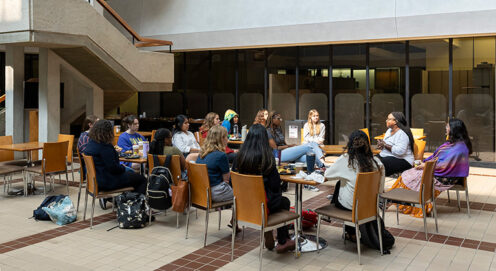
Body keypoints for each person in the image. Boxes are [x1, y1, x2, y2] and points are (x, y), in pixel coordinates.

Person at [232, 124, 295, 253]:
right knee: (284, 201)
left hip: (244, 205)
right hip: (263, 205)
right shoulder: (267, 158)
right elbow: (275, 184)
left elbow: (233, 181)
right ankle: (283, 240)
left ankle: (269, 231)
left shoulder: (239, 157)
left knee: (275, 200)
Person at [391, 118, 472, 218]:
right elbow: (436, 157)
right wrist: (424, 162)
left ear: (454, 129)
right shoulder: (453, 143)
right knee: (410, 173)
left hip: (445, 177)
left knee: (411, 176)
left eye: (447, 126)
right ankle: (394, 201)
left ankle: (411, 205)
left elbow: (445, 165)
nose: (446, 128)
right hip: (440, 173)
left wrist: (426, 166)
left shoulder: (459, 148)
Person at [324, 130, 385, 238]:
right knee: (342, 184)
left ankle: (350, 232)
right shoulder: (377, 163)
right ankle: (351, 233)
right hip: (370, 206)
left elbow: (327, 174)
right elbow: (380, 190)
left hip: (351, 206)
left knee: (341, 185)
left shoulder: (346, 161)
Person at [84, 120, 147, 210]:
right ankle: (137, 210)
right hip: (107, 182)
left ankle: (125, 203)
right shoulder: (105, 147)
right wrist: (123, 168)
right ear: (108, 132)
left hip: (96, 182)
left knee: (132, 175)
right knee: (141, 179)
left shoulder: (91, 144)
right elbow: (114, 168)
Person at [195, 126, 233, 202]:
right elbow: (226, 180)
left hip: (201, 192)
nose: (227, 139)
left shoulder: (202, 153)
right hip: (216, 192)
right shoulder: (221, 155)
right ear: (221, 139)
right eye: (226, 136)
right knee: (244, 194)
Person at [376, 112, 414, 176]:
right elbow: (386, 144)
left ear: (395, 121)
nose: (386, 121)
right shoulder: (389, 131)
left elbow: (400, 152)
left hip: (403, 160)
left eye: (389, 119)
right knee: (371, 160)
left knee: (381, 164)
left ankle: (379, 182)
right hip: (389, 156)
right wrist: (382, 146)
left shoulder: (402, 134)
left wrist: (384, 145)